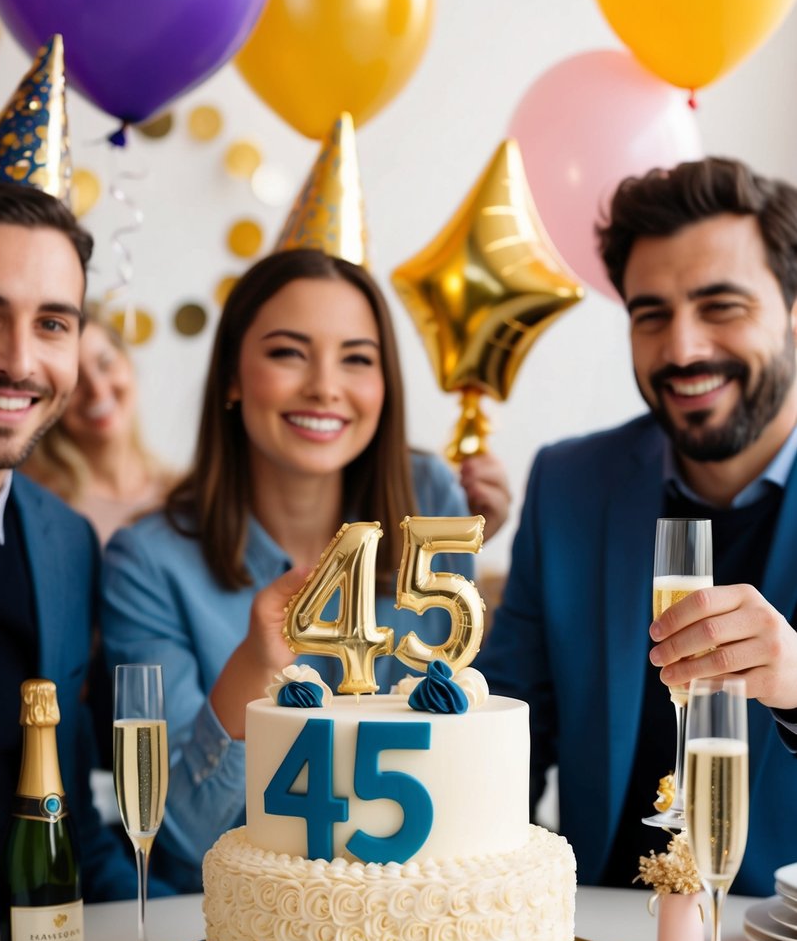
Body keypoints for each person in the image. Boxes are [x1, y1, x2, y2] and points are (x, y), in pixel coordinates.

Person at [101, 247, 510, 891]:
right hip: (236, 929)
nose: (325, 386)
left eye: (356, 358)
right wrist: (254, 664)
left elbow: (465, 757)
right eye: (289, 352)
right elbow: (177, 836)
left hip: (414, 908)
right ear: (233, 376)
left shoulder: (431, 502)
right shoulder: (147, 562)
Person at [479, 157, 797, 897]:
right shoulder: (568, 485)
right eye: (650, 314)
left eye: (720, 306)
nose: (682, 348)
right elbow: (508, 734)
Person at [0, 180, 144, 912]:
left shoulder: (67, 544)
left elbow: (63, 811)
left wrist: (171, 933)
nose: (17, 362)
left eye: (52, 324)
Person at [21, 313, 173, 544]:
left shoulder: (183, 491)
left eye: (105, 364)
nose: (97, 390)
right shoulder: (40, 504)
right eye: (75, 378)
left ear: (129, 364)